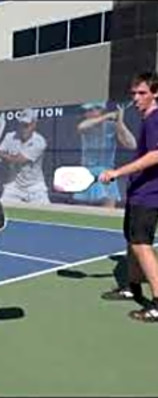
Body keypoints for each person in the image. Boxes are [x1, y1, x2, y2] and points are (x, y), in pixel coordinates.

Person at [99, 71, 158, 322]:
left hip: (149, 195)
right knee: (133, 243)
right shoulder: (147, 120)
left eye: (142, 93)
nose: (136, 98)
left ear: (155, 94)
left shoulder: (155, 119)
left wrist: (117, 172)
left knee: (142, 245)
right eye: (134, 93)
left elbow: (156, 154)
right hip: (138, 194)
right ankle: (131, 288)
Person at [74, 101, 137, 207]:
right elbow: (81, 127)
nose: (90, 113)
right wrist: (107, 116)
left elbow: (132, 144)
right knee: (83, 213)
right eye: (88, 110)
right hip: (87, 172)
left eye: (94, 109)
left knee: (108, 212)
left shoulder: (112, 126)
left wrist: (120, 121)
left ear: (101, 110)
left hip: (108, 173)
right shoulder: (86, 125)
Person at [0, 108, 50, 204]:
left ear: (34, 124)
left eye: (27, 125)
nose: (23, 129)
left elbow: (18, 160)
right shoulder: (9, 137)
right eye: (22, 125)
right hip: (13, 186)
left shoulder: (39, 141)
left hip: (36, 187)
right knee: (2, 211)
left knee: (47, 216)